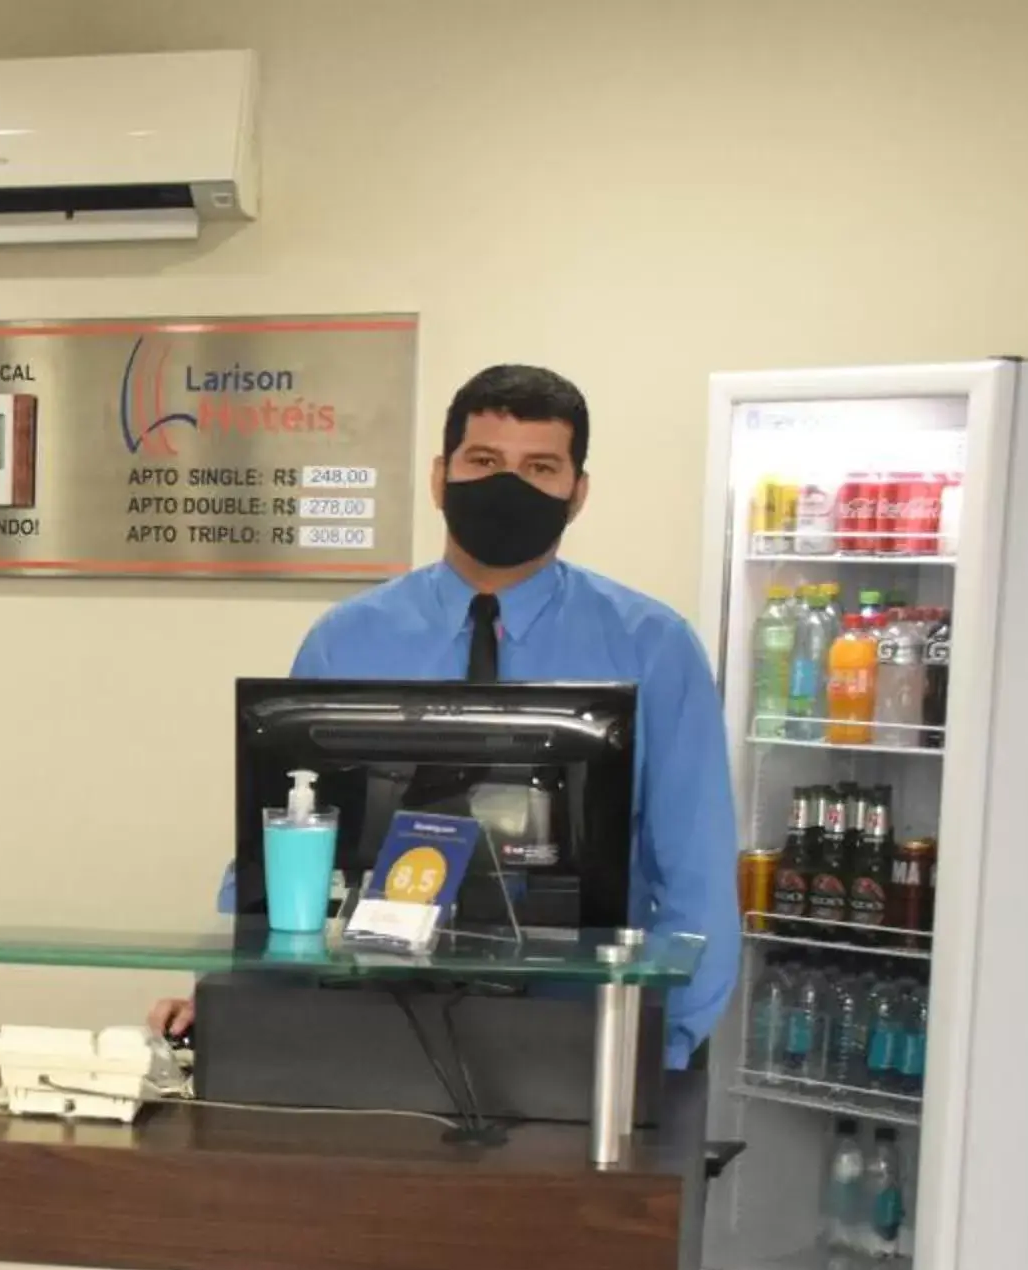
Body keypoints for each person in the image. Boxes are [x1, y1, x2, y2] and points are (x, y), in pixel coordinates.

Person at [150, 363, 740, 1069]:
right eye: (484, 461)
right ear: (440, 477)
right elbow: (280, 843)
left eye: (540, 467)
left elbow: (698, 875)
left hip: (577, 1039)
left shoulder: (654, 646)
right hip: (371, 1023)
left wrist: (660, 1054)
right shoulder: (347, 638)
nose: (508, 485)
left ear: (576, 494)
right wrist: (230, 1000)